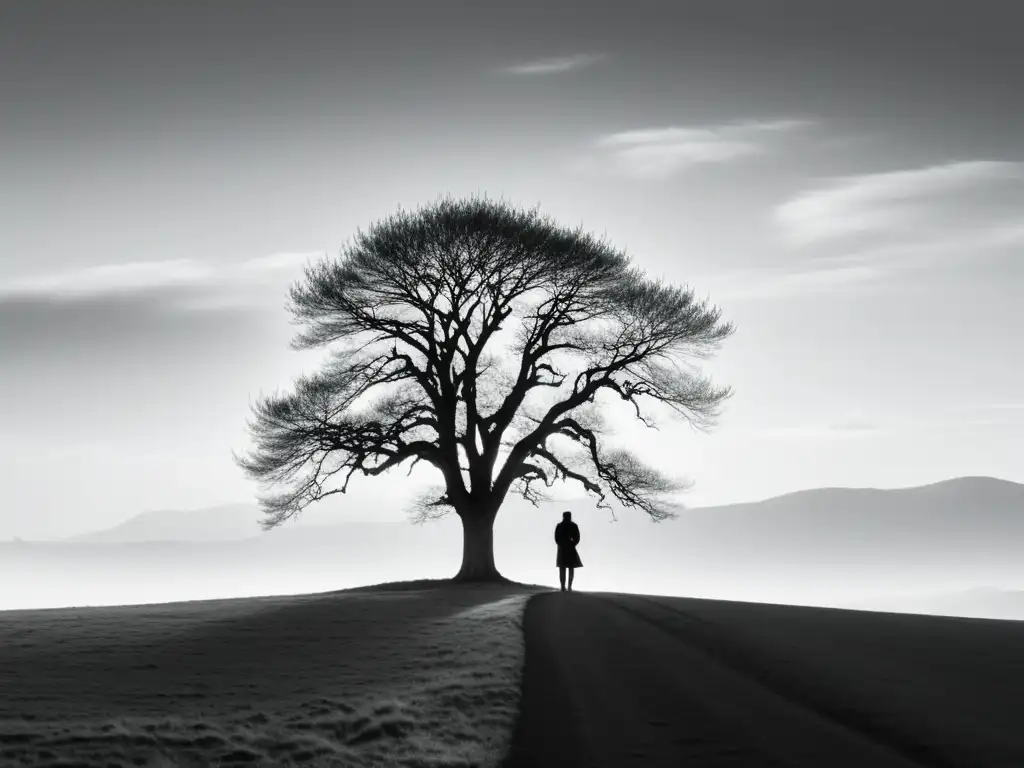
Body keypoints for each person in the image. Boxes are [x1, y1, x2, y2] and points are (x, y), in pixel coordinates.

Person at [554, 511, 582, 592]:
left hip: (564, 548)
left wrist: (562, 544)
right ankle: (568, 587)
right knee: (570, 567)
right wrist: (572, 544)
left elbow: (556, 538)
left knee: (564, 568)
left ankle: (564, 587)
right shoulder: (572, 525)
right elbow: (577, 538)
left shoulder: (560, 525)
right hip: (569, 548)